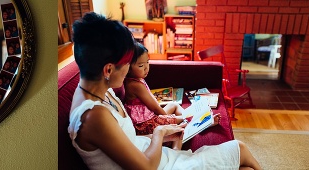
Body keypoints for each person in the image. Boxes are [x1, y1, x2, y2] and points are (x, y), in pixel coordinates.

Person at [68, 12, 261, 169]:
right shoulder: (94, 116)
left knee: (241, 164)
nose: (128, 70)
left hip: (157, 156)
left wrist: (166, 134)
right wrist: (159, 132)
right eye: (127, 64)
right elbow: (146, 168)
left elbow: (128, 141)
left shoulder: (99, 89)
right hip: (156, 165)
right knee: (240, 149)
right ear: (108, 70)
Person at [123, 42, 221, 135]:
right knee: (183, 118)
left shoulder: (137, 79)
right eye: (141, 65)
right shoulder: (134, 85)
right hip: (146, 124)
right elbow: (155, 108)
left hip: (149, 116)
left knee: (173, 105)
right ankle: (203, 123)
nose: (146, 68)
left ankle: (193, 119)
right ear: (128, 67)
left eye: (147, 62)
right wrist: (167, 119)